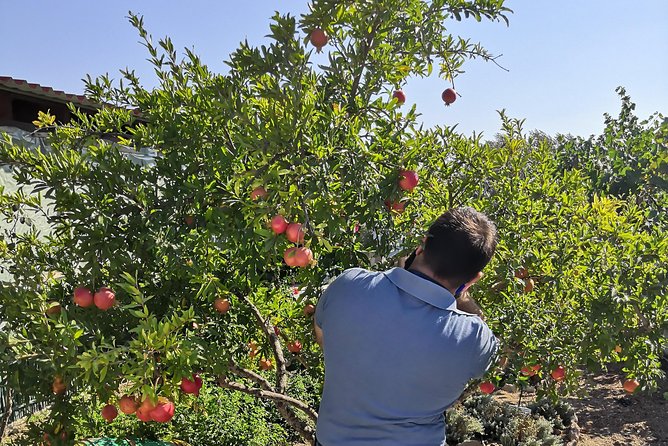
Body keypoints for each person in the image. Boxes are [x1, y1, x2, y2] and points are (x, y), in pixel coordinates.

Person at [313, 206, 499, 446]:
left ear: (422, 245)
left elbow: (323, 337)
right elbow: (490, 360)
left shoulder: (348, 285)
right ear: (474, 279)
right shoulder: (473, 337)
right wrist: (464, 300)